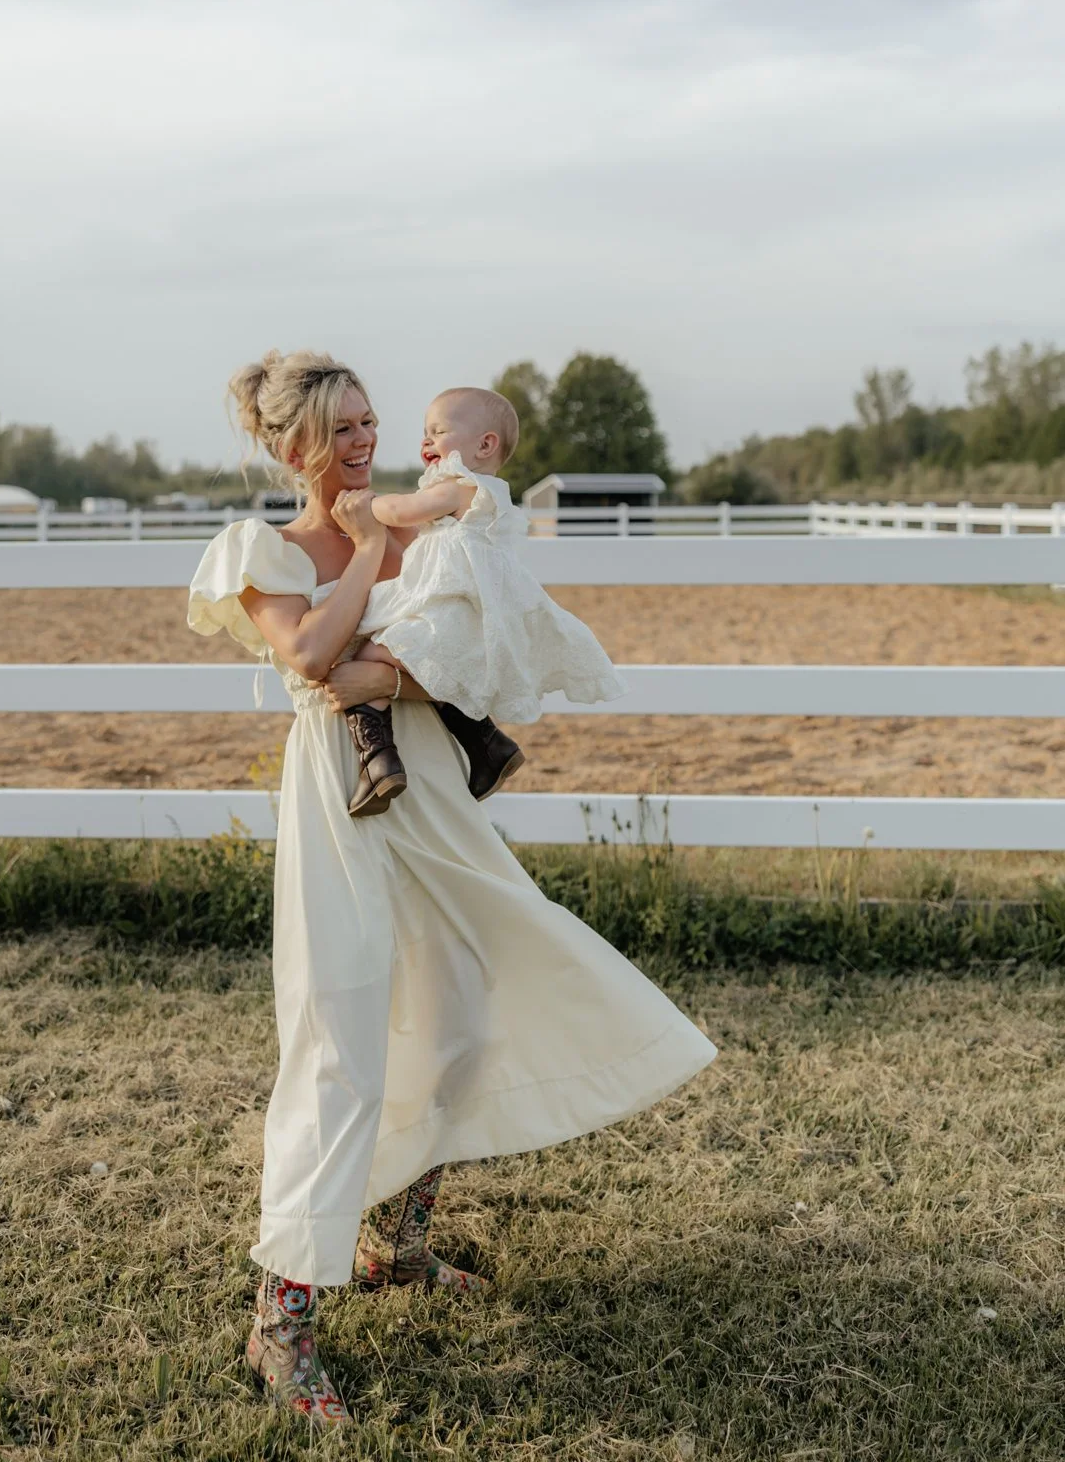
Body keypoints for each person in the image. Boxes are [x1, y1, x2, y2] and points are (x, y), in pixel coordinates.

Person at [187, 349, 716, 1424]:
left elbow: (467, 654)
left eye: (371, 422)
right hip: (342, 790)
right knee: (340, 1031)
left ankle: (400, 1240)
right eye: (343, 430)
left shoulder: (435, 530)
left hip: (427, 779)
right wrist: (369, 557)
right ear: (296, 447)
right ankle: (281, 1317)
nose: (366, 443)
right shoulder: (266, 547)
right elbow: (308, 665)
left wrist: (386, 654)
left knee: (470, 998)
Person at [341, 383, 624, 813]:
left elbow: (402, 513)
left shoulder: (461, 487)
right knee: (430, 671)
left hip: (450, 611)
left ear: (484, 444)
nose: (426, 440)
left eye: (438, 431)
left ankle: (379, 761)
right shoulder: (479, 494)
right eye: (425, 431)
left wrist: (366, 506)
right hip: (457, 609)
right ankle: (487, 746)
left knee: (372, 654)